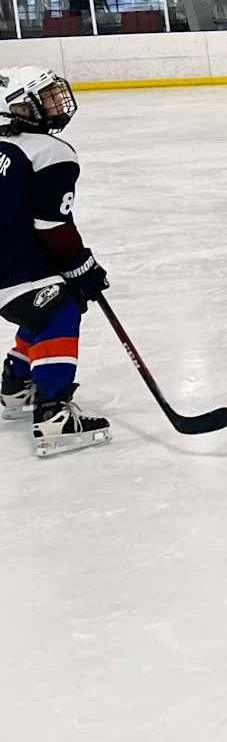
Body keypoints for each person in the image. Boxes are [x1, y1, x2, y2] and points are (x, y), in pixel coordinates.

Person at [0, 67, 112, 457]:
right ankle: (53, 414)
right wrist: (83, 265)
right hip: (11, 264)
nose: (55, 102)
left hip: (11, 261)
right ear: (20, 107)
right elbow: (51, 224)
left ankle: (15, 387)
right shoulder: (49, 152)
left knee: (43, 302)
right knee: (59, 308)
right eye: (44, 96)